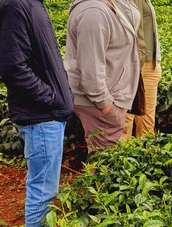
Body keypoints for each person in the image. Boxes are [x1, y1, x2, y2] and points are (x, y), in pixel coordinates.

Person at [0, 0, 74, 227]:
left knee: (46, 190)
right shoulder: (18, 5)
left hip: (47, 116)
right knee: (42, 193)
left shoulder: (32, 4)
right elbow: (13, 68)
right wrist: (53, 98)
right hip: (41, 117)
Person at [65, 0, 141, 153]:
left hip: (109, 97)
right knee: (103, 167)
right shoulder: (94, 11)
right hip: (100, 102)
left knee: (102, 162)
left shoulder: (109, 4)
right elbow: (90, 68)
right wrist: (105, 105)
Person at [121, 0, 162, 139]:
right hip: (128, 66)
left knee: (147, 127)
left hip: (150, 65)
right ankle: (118, 160)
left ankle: (145, 158)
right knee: (123, 126)